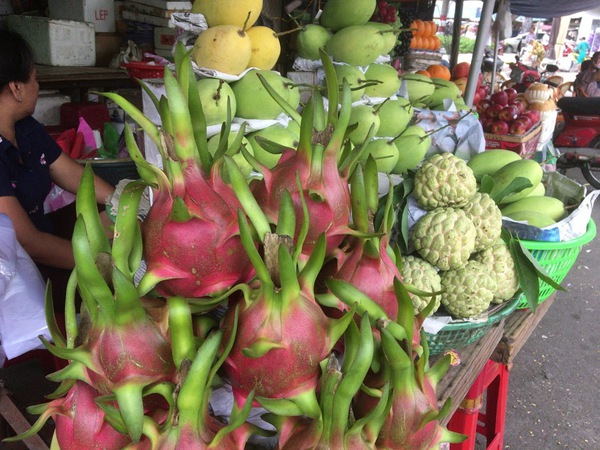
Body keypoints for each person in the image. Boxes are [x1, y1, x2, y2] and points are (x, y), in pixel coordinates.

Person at [0, 29, 115, 306]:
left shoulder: (25, 128)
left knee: (112, 217)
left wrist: (122, 202)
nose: (38, 87)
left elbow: (76, 177)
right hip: (18, 273)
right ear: (16, 88)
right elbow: (27, 242)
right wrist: (94, 266)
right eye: (35, 79)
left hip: (47, 239)